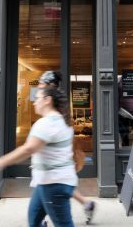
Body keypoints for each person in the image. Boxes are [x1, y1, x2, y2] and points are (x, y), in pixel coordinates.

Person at [0, 86, 77, 227]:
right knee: (34, 220)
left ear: (47, 100)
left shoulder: (46, 123)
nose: (34, 102)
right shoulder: (62, 121)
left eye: (37, 98)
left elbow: (28, 149)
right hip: (47, 182)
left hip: (54, 184)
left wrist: (1, 161)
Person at [38, 71, 96, 224]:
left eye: (42, 83)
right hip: (57, 155)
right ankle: (86, 204)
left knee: (53, 187)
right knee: (59, 187)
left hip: (56, 156)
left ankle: (41, 218)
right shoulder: (54, 101)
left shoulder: (52, 102)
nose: (39, 85)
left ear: (49, 85)